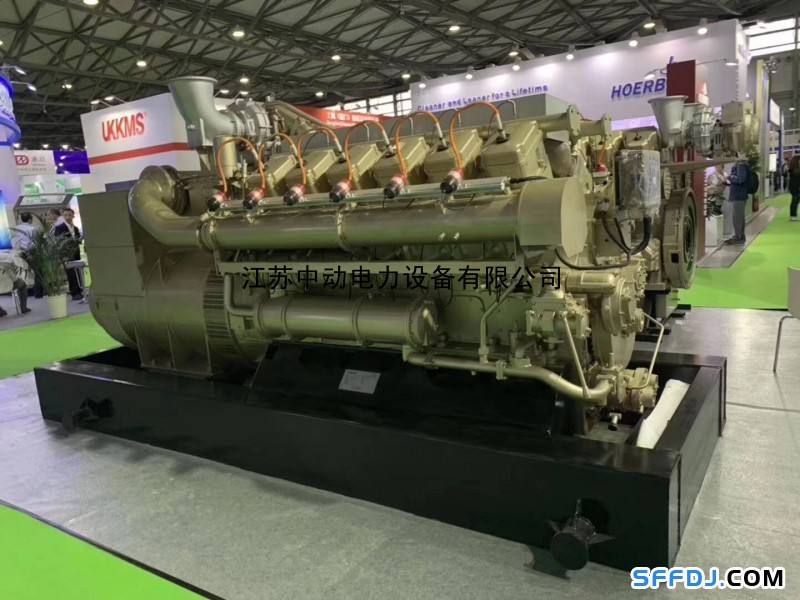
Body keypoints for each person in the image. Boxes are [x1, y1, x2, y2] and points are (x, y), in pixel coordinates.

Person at [53, 208, 83, 300]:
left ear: (73, 216)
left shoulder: (75, 228)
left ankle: (79, 290)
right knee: (71, 274)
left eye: (69, 215)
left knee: (78, 272)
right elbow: (59, 241)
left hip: (76, 253)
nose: (67, 217)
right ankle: (74, 293)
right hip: (66, 255)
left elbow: (78, 240)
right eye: (65, 215)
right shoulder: (59, 228)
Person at [726, 158, 751, 244]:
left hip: (739, 195)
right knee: (739, 217)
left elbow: (740, 179)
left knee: (737, 217)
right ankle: (740, 236)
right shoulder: (741, 165)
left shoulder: (740, 165)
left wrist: (730, 177)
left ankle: (738, 236)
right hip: (739, 195)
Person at [790, 155, 800, 222]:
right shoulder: (796, 170)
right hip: (796, 187)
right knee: (795, 201)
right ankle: (793, 215)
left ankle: (793, 215)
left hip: (794, 187)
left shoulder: (792, 169)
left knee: (794, 201)